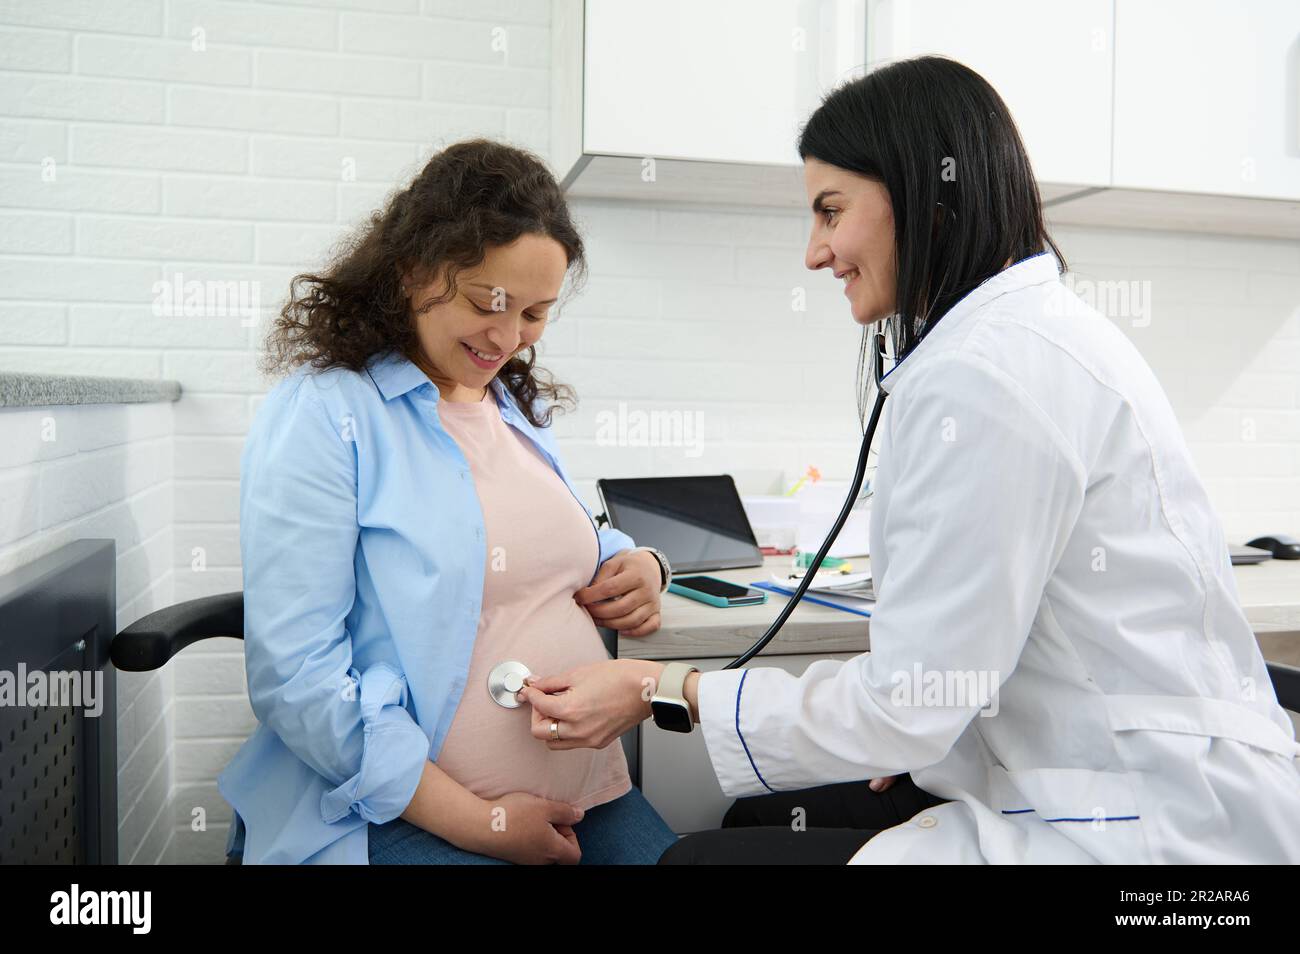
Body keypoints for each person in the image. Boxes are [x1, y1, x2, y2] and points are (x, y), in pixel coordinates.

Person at [515, 57, 1300, 864]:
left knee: (694, 860)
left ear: (926, 196)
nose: (814, 253)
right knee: (760, 819)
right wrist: (922, 740)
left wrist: (658, 688)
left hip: (1150, 834)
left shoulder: (990, 376)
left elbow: (907, 704)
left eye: (831, 211)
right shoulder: (1020, 339)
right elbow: (959, 671)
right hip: (1108, 774)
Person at [219, 138, 678, 864]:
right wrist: (480, 823)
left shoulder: (508, 405)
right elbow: (295, 678)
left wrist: (641, 565)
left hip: (587, 797)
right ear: (414, 270)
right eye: (488, 303)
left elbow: (547, 541)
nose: (509, 337)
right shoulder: (329, 411)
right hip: (402, 813)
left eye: (534, 313)